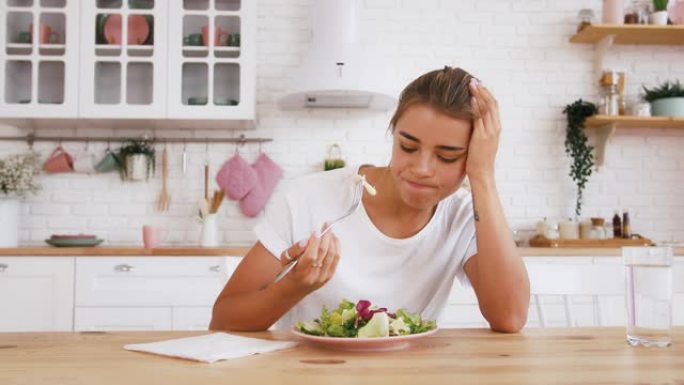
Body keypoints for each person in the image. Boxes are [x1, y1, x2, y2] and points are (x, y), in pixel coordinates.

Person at [210, 66, 530, 333]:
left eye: (447, 156)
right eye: (408, 146)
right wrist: (294, 286)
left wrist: (483, 178)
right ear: (393, 134)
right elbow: (223, 320)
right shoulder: (306, 198)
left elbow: (510, 318)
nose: (420, 169)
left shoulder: (464, 216)